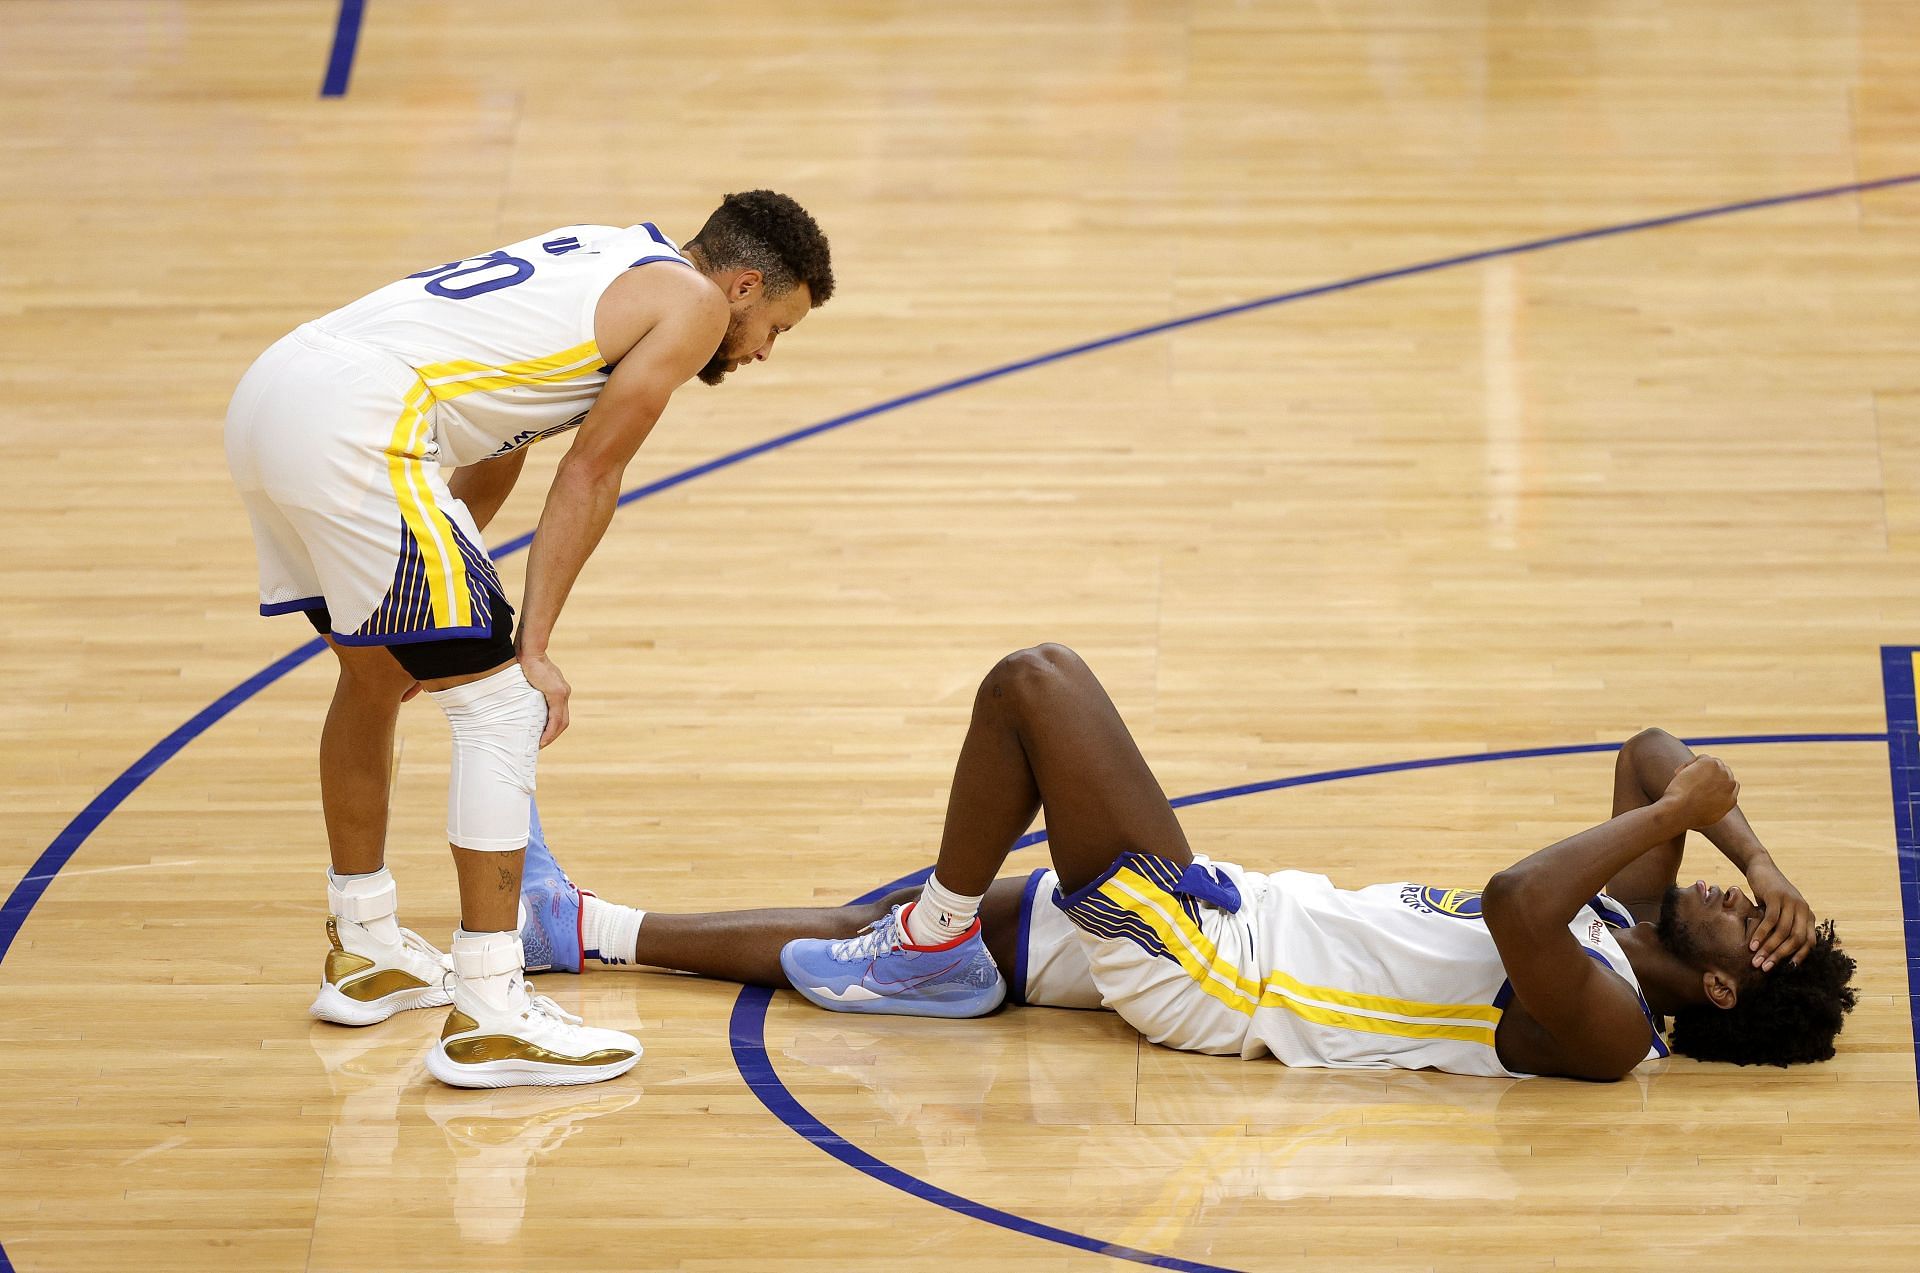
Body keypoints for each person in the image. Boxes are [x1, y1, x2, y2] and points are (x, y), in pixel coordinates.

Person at [517, 645, 1857, 1079]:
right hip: (1225, 913)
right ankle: (586, 927)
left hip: (1215, 975)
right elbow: (1648, 750)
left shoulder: (1617, 1029)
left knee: (1036, 686)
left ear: (1726, 991)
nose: (1739, 904)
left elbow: (1520, 899)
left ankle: (928, 947)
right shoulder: (1636, 934)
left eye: (1755, 927)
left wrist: (1692, 799)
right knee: (872, 923)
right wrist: (1748, 838)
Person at [225, 192, 834, 1088]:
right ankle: (492, 1007)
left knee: (371, 679)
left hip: (277, 394)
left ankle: (366, 948)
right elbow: (592, 470)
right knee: (503, 708)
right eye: (774, 326)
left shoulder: (606, 254)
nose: (763, 352)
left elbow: (497, 433)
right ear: (742, 286)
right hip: (363, 422)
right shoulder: (695, 307)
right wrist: (531, 646)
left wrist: (430, 628)